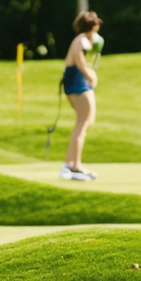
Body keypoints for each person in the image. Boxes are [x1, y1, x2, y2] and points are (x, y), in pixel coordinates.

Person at [61, 11, 102, 181]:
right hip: (78, 86)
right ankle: (75, 166)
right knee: (82, 124)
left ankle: (69, 165)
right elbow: (81, 65)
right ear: (93, 26)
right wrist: (91, 76)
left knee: (84, 122)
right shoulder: (80, 41)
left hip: (78, 85)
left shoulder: (83, 41)